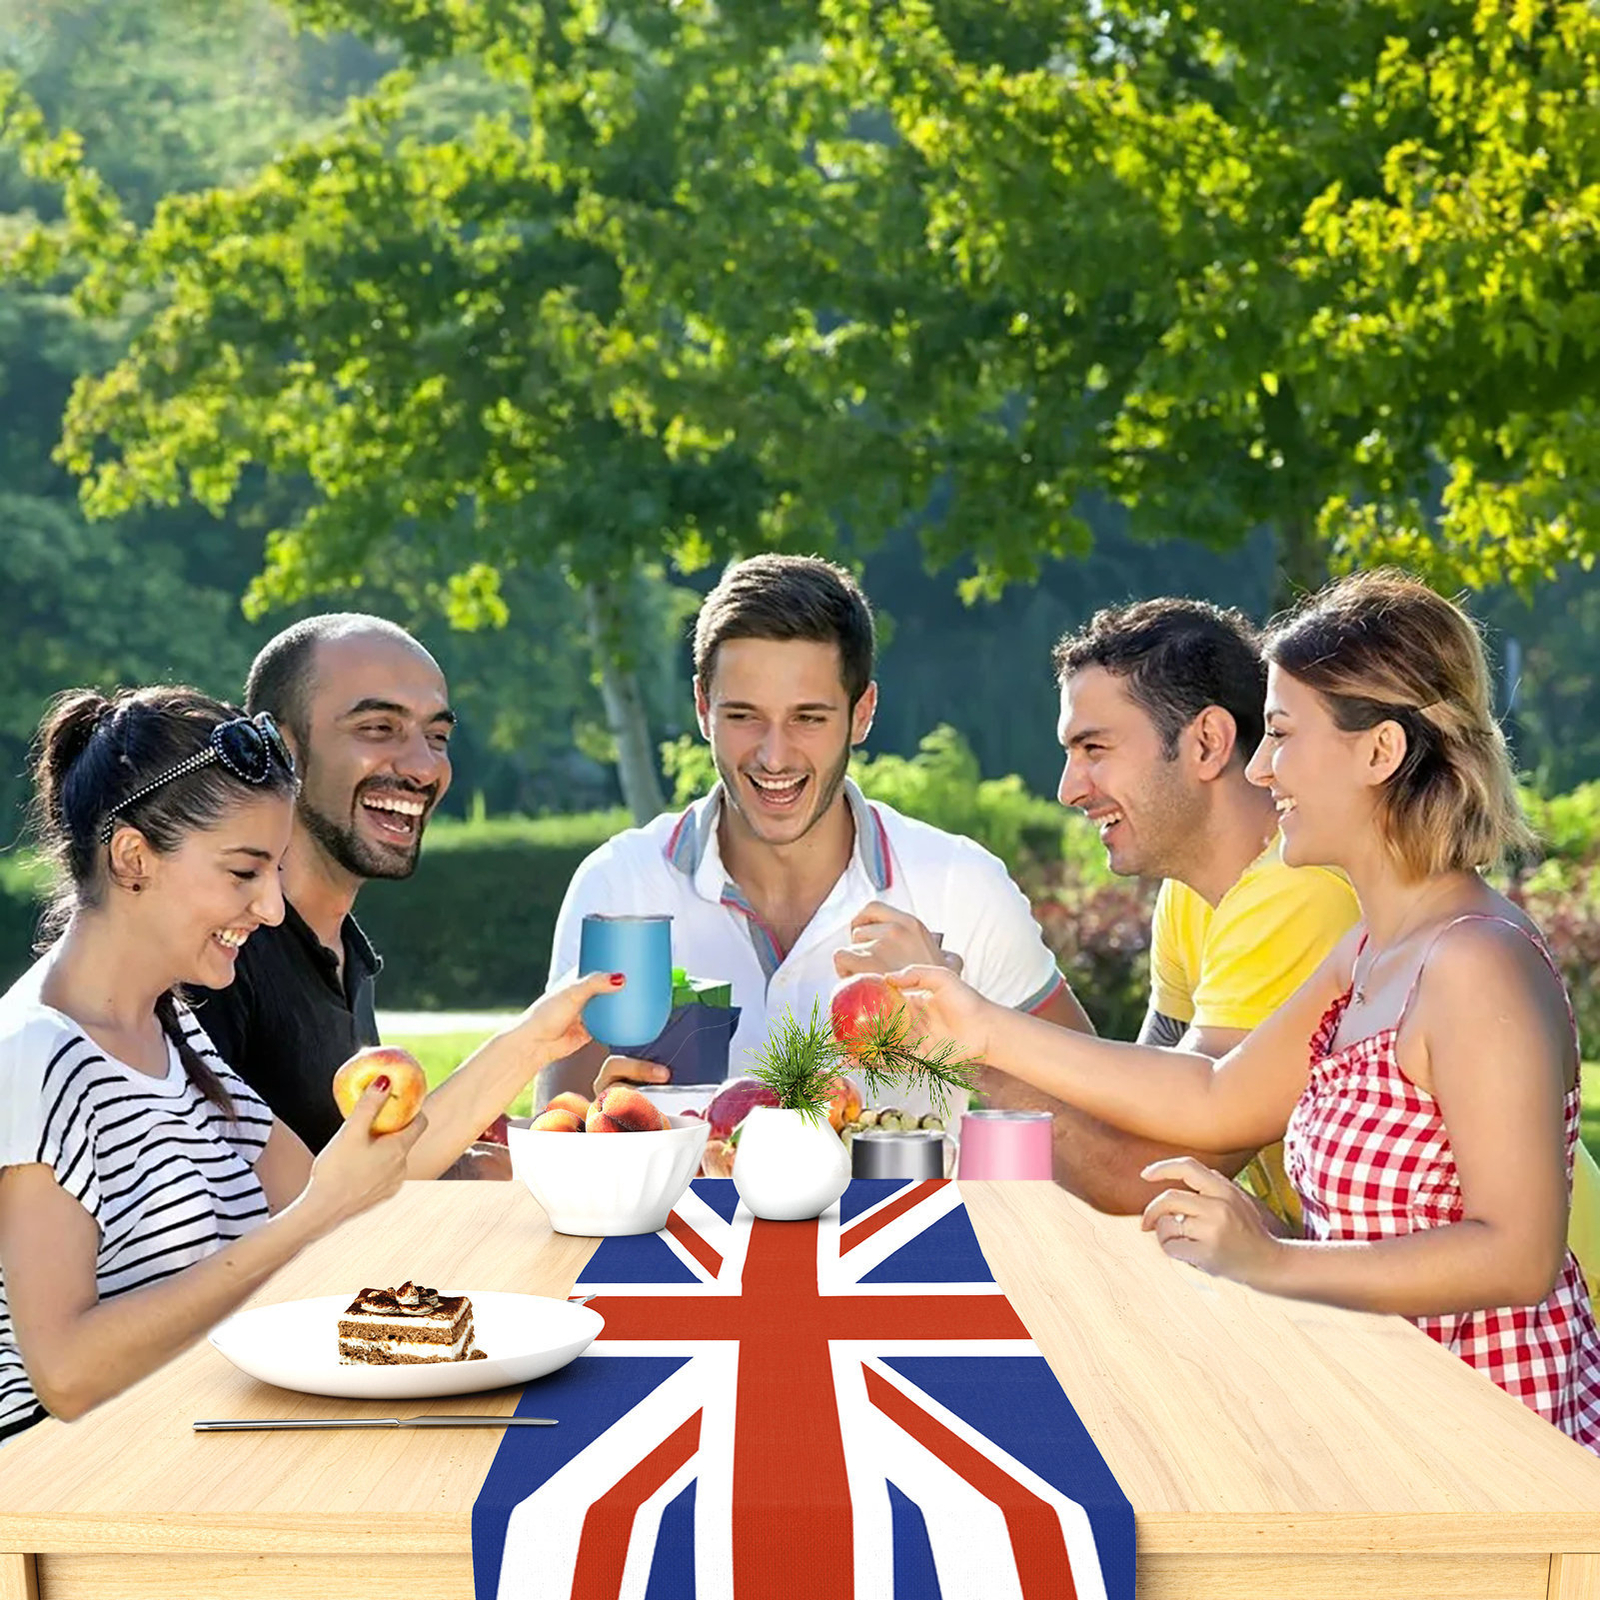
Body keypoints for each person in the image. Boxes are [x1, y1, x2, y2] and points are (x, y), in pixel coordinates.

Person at [889, 572, 1600, 1447]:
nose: (1261, 769)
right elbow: (1214, 1095)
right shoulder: (1369, 949)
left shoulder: (1476, 963)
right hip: (1381, 1414)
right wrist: (978, 1026)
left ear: (1379, 752)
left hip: (1492, 1448)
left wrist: (1274, 1260)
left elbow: (1518, 1255)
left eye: (1284, 735)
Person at [0, 686, 617, 1442]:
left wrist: (533, 1042)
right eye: (243, 873)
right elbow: (65, 1375)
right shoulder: (35, 1057)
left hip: (196, 1442)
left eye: (275, 872)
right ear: (133, 857)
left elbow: (353, 1185)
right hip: (78, 1488)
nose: (269, 909)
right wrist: (312, 1215)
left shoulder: (171, 1029)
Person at [537, 554, 1090, 1116]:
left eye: (808, 718)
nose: (774, 756)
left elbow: (1104, 1140)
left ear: (862, 712)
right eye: (743, 716)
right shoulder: (620, 888)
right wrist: (605, 1129)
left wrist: (956, 1037)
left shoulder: (962, 887)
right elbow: (555, 1137)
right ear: (703, 707)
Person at [978, 599, 1361, 1214]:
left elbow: (1148, 1176)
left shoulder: (1298, 892)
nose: (1069, 789)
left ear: (1207, 743)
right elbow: (1139, 1120)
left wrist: (968, 1043)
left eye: (1094, 748)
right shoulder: (1192, 893)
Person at [190, 614, 456, 1153]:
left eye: (437, 737)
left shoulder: (349, 955)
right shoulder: (214, 958)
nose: (424, 768)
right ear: (281, 745)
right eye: (378, 728)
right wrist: (531, 1039)